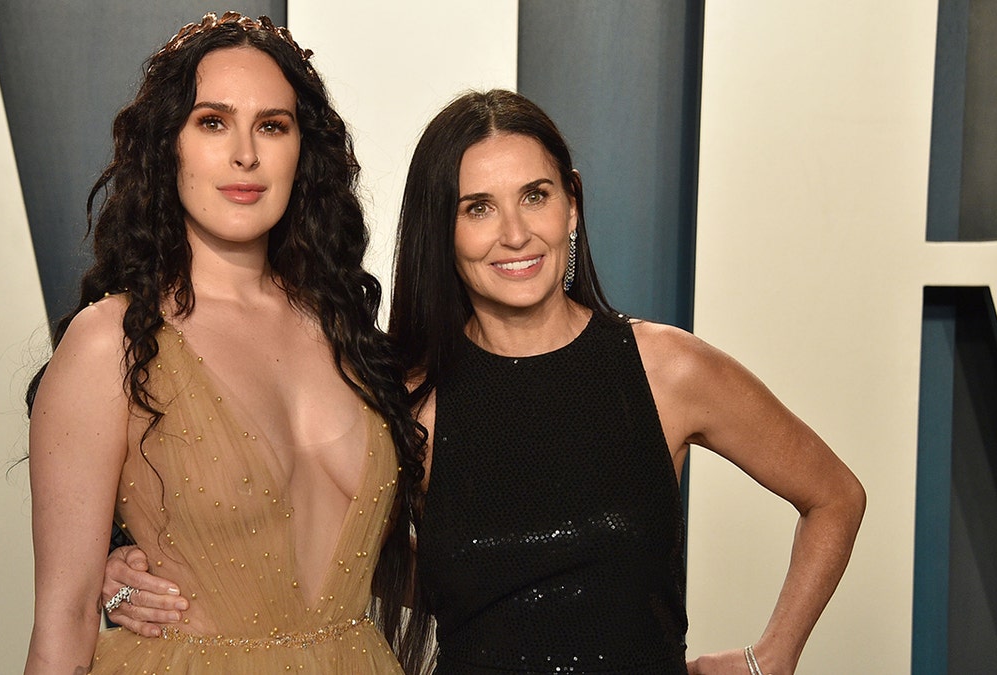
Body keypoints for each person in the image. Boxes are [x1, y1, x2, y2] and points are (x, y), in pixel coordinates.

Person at [104, 89, 866, 674]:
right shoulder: (398, 396)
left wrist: (775, 654)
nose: (514, 233)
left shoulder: (668, 368)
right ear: (445, 228)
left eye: (535, 195)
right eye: (479, 208)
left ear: (572, 203)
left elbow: (835, 493)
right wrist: (118, 563)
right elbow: (276, 524)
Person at [23, 12, 427, 674]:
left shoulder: (350, 336)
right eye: (212, 122)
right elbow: (62, 623)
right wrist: (110, 573)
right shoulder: (110, 343)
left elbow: (394, 566)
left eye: (272, 125)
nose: (247, 153)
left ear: (304, 150)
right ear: (168, 146)